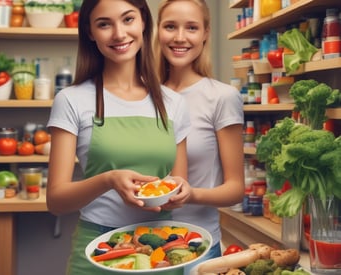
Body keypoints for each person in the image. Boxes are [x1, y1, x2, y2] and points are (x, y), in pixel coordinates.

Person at [46, 0, 191, 274]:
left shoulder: (173, 103)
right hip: (98, 251)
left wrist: (182, 191)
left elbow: (177, 184)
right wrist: (108, 180)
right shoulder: (72, 100)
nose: (119, 34)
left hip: (162, 249)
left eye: (127, 19)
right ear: (90, 32)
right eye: (104, 24)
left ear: (144, 22)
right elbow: (56, 201)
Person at [155, 0, 245, 268]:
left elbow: (235, 189)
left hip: (197, 246)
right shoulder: (143, 96)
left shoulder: (221, 97)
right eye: (170, 26)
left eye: (191, 27)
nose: (179, 37)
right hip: (144, 243)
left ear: (205, 33)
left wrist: (189, 194)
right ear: (158, 31)